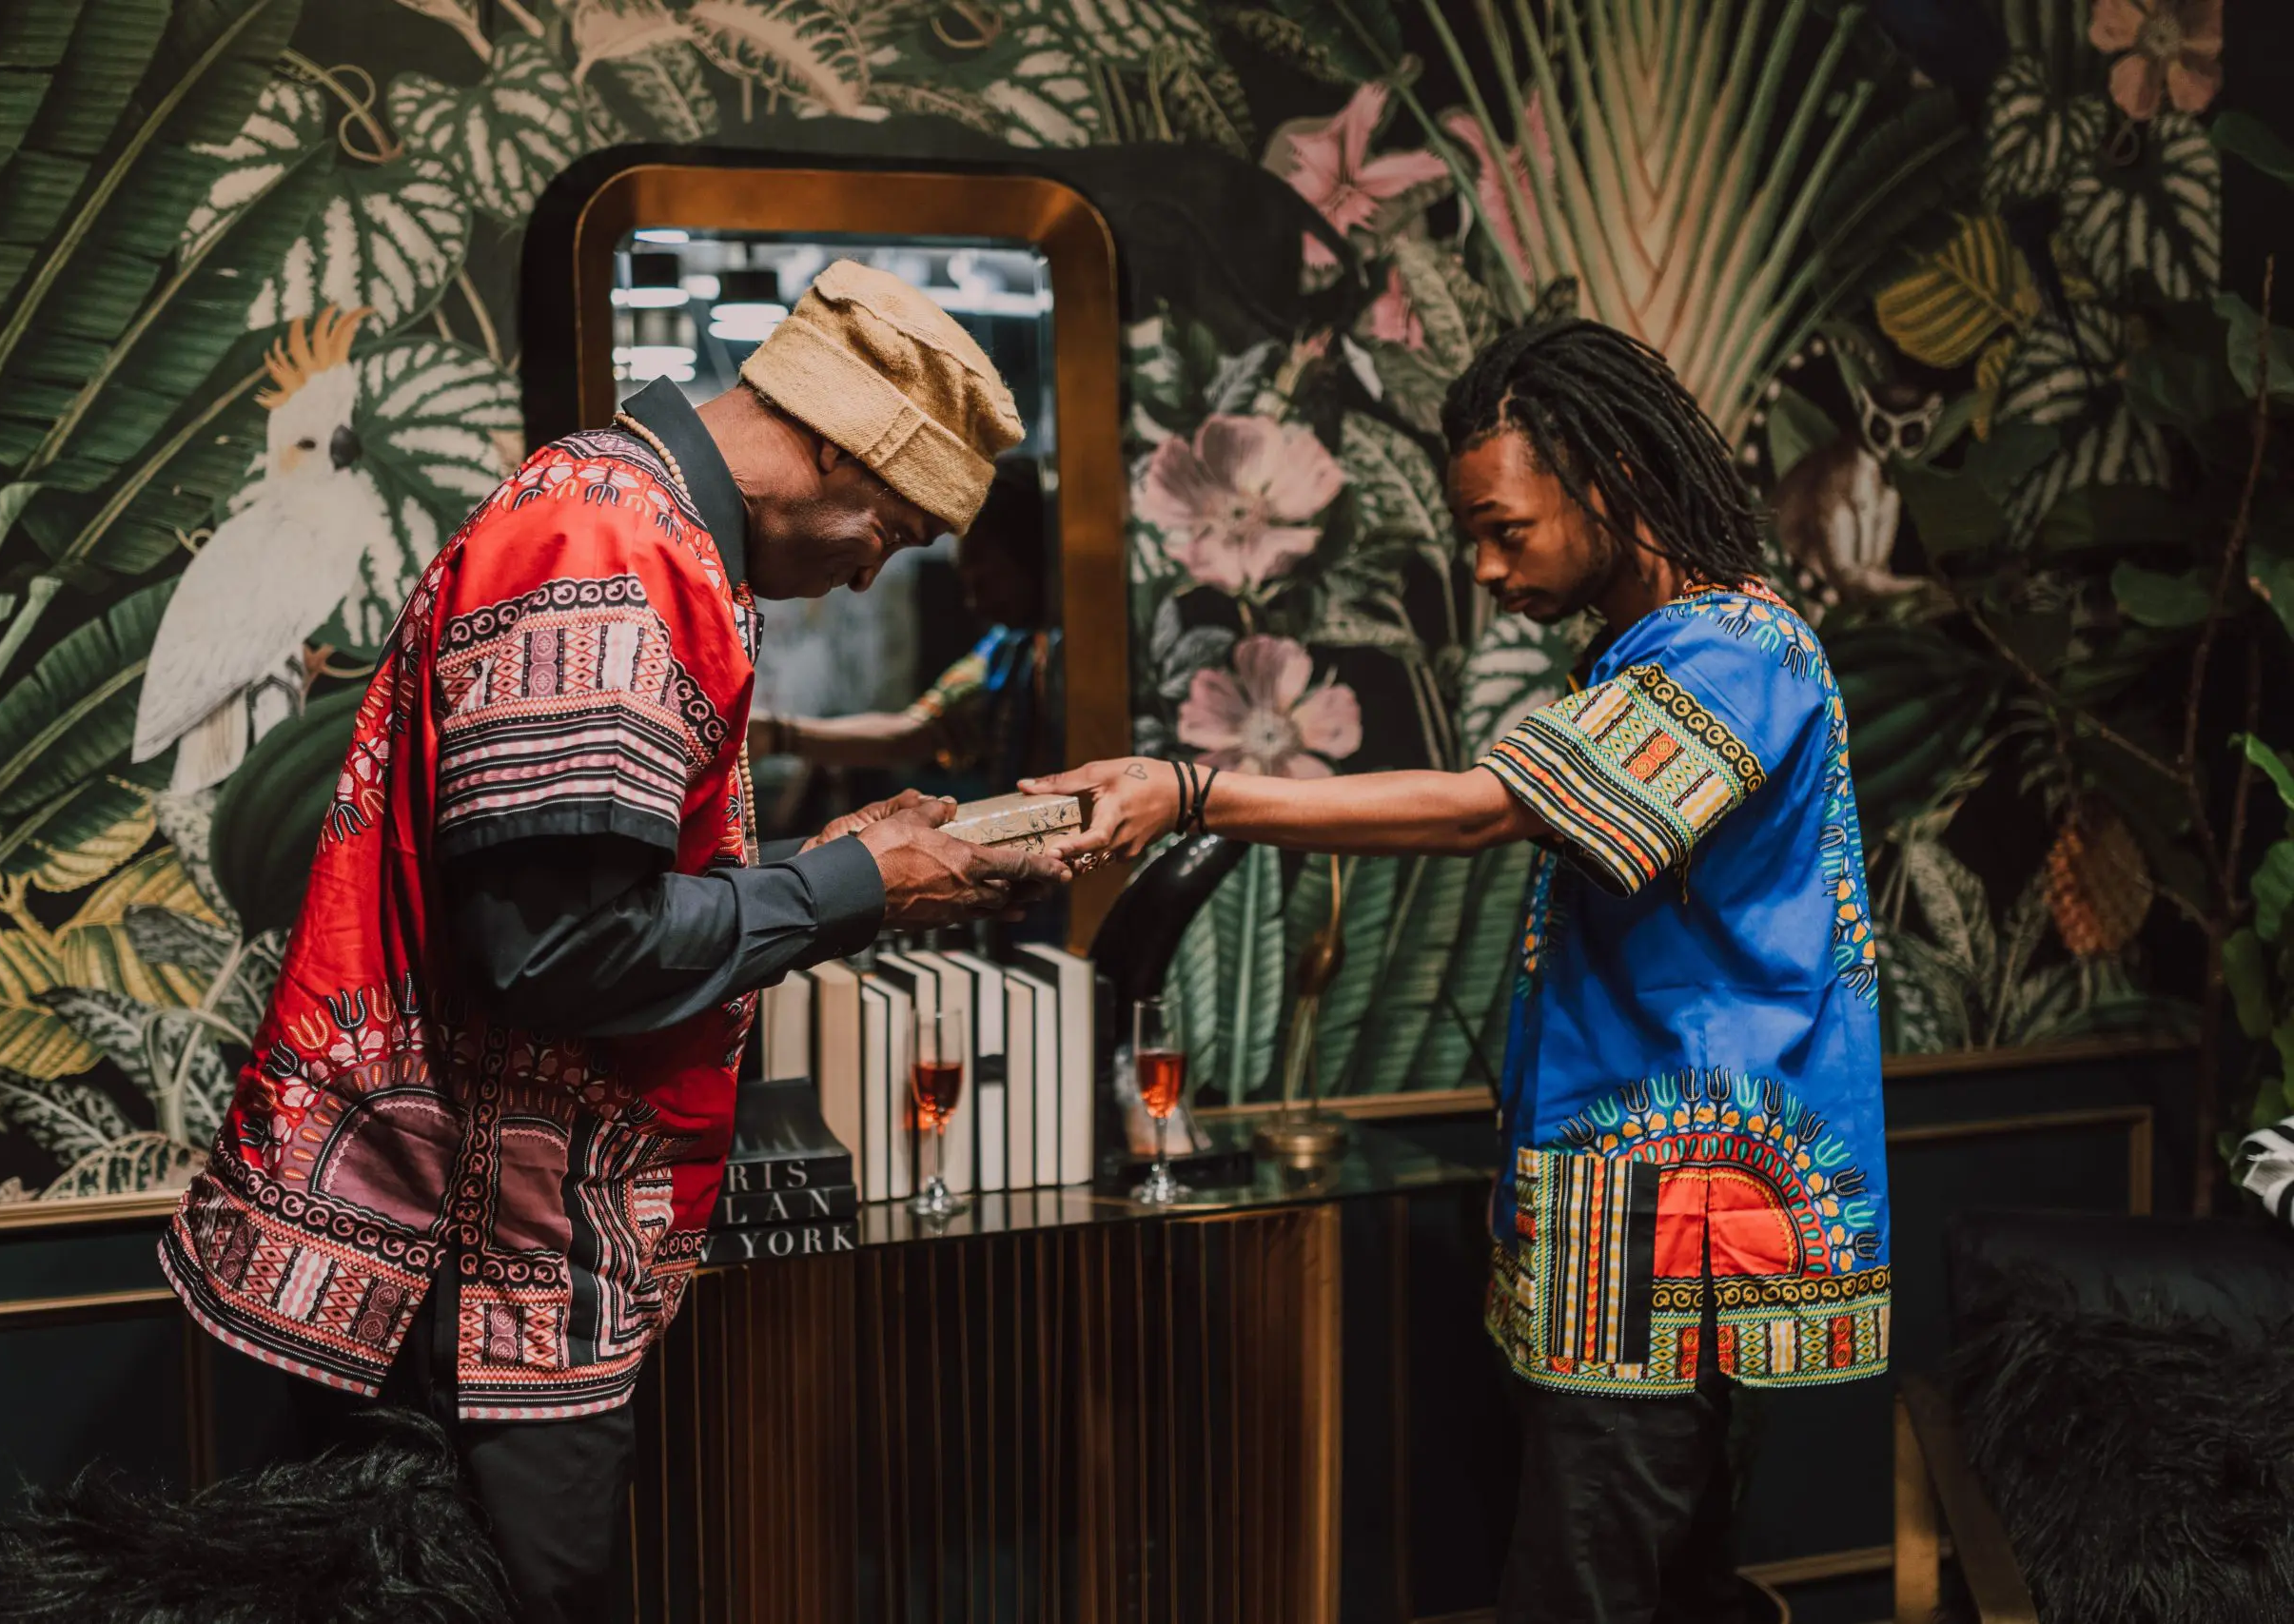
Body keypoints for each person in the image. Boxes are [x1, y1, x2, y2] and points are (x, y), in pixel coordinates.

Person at [158, 260, 1066, 1624]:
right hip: (474, 1264)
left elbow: (596, 889)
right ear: (832, 441)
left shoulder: (637, 527)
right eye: (893, 524)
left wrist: (837, 865)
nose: (873, 568)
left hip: (510, 1251)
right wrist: (851, 888)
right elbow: (558, 951)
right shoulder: (608, 547)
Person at [1032, 319, 1889, 1623]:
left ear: (1609, 478)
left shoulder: (1733, 651)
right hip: (1624, 1198)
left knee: (1592, 1586)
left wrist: (1194, 790)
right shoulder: (1665, 649)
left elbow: (1488, 808)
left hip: (1671, 1213)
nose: (1485, 567)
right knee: (1649, 1575)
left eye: (1505, 529)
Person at [748, 456, 1059, 795]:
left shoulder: (1073, 660)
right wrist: (778, 735)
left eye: (984, 580)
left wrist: (782, 736)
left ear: (1035, 557)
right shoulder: (1005, 652)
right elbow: (916, 731)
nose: (975, 603)